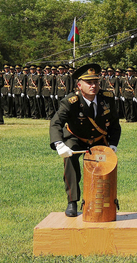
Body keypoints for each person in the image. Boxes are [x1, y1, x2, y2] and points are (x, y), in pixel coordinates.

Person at [49, 64, 121, 217]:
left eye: (96, 82)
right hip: (76, 137)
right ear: (79, 85)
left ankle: (103, 201)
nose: (93, 86)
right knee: (70, 159)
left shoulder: (107, 98)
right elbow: (56, 122)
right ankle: (72, 201)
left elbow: (114, 123)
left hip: (98, 139)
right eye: (89, 83)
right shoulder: (71, 101)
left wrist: (113, 144)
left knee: (105, 166)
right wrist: (59, 144)